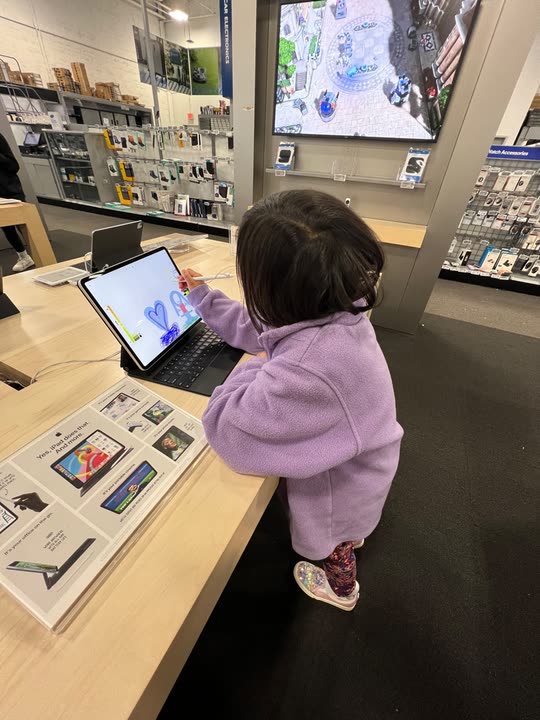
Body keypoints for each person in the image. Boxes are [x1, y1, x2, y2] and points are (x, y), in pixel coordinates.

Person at [179, 190, 403, 612]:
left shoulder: (309, 366)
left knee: (336, 545)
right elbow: (264, 331)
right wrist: (204, 298)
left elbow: (229, 429)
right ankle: (349, 542)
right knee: (345, 531)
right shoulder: (336, 305)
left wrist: (254, 368)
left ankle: (342, 591)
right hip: (364, 453)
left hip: (344, 486)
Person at [0, 132, 34, 272]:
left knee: (25, 224)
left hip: (10, 189)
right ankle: (24, 257)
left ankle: (42, 254)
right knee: (6, 227)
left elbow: (14, 166)